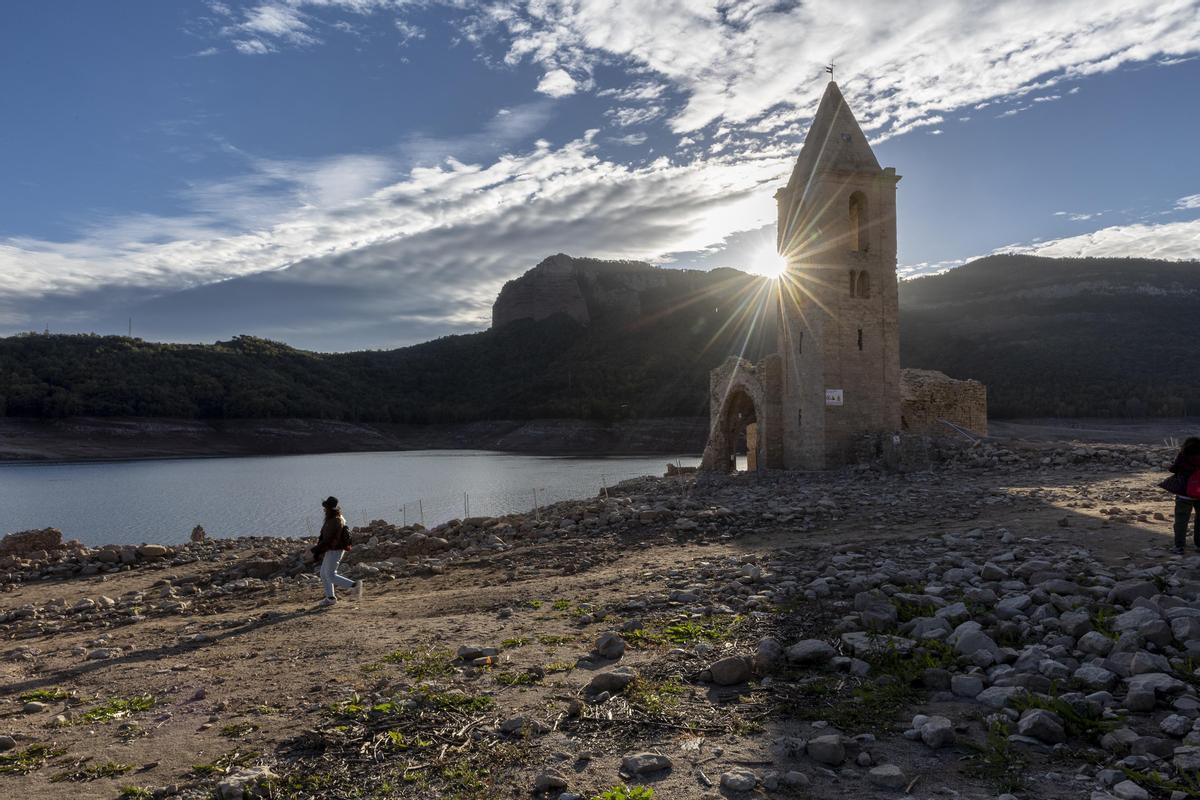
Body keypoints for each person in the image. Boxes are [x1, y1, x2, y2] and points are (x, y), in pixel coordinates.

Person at [312, 496, 363, 607]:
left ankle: (354, 585)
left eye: (326, 507)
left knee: (330, 575)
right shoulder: (333, 518)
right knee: (323, 574)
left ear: (330, 508)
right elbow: (325, 537)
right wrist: (319, 549)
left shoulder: (335, 520)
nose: (324, 509)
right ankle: (330, 598)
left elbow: (328, 539)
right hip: (331, 549)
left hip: (335, 550)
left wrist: (316, 550)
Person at [1169, 437, 1200, 555]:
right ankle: (1199, 545)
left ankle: (1179, 547)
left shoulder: (1183, 455)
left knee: (1181, 521)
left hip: (1184, 494)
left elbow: (1173, 469)